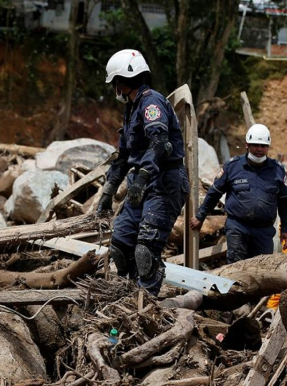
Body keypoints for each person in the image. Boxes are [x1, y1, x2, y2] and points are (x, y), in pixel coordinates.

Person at [97, 49, 189, 296]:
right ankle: (128, 293)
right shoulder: (132, 108)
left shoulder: (151, 103)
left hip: (165, 182)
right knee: (120, 244)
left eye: (114, 83)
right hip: (143, 181)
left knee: (145, 250)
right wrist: (108, 191)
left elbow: (160, 144)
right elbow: (124, 155)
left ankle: (145, 303)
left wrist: (142, 178)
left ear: (120, 82)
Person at [190, 124, 287, 264]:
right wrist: (200, 216)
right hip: (238, 227)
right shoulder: (233, 167)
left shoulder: (277, 170)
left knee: (262, 269)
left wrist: (286, 228)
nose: (259, 149)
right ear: (247, 145)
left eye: (263, 146)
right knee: (236, 267)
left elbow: (285, 202)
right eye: (255, 145)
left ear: (268, 147)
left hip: (264, 231)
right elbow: (214, 193)